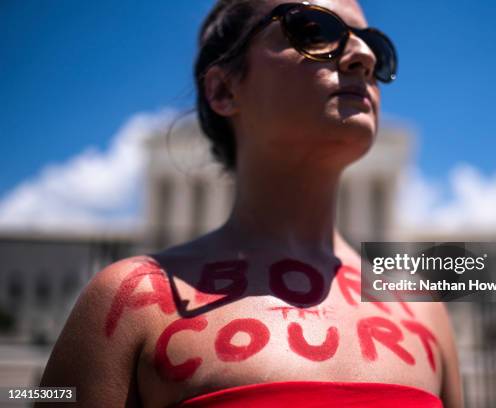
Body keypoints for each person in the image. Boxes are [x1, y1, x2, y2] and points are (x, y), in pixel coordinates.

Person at [39, 0, 463, 407]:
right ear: (223, 89)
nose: (363, 56)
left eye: (377, 45)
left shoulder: (423, 311)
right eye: (315, 31)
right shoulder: (129, 303)